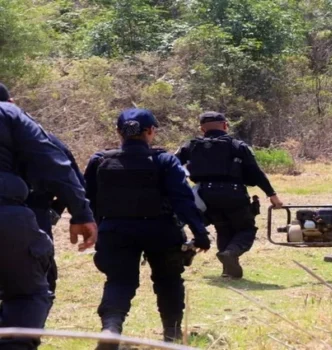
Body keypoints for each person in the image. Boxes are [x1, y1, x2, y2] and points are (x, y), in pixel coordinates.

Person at [83, 108, 211, 348]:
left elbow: (87, 199)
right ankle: (171, 336)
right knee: (168, 281)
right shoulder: (165, 160)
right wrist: (200, 233)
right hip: (161, 230)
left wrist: (94, 229)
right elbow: (182, 200)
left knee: (118, 282)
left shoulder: (100, 160)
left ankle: (111, 330)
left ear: (118, 132)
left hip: (115, 231)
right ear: (151, 131)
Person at [0, 83, 97, 350]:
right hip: (14, 218)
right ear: (12, 100)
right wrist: (81, 212)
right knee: (27, 294)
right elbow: (57, 166)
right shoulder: (10, 114)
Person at [175, 111, 283, 279]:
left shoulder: (190, 146)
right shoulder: (237, 146)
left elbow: (172, 167)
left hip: (204, 195)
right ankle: (231, 253)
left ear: (202, 129)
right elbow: (255, 172)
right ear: (225, 125)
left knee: (223, 228)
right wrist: (272, 194)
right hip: (233, 193)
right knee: (246, 229)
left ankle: (228, 270)